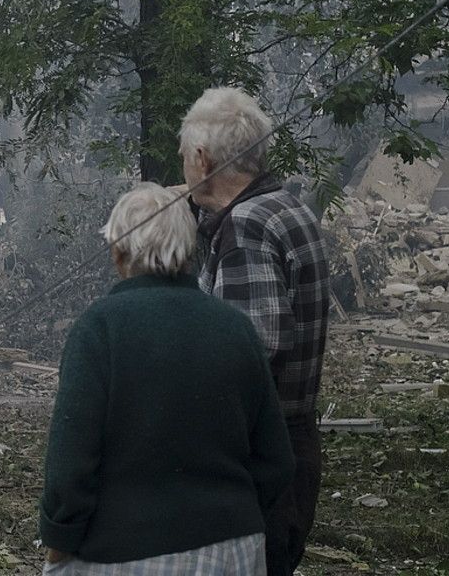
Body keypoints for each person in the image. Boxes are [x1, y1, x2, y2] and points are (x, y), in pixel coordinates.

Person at [39, 183, 294, 575]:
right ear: (190, 250)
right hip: (234, 551)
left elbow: (71, 460)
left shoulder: (99, 328)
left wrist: (59, 540)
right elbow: (276, 459)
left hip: (124, 553)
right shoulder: (236, 327)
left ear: (118, 251)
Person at [178, 87, 330, 576]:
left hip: (257, 459)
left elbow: (251, 351)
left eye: (183, 156)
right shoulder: (287, 207)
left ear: (201, 159)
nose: (183, 166)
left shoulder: (246, 226)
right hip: (291, 442)